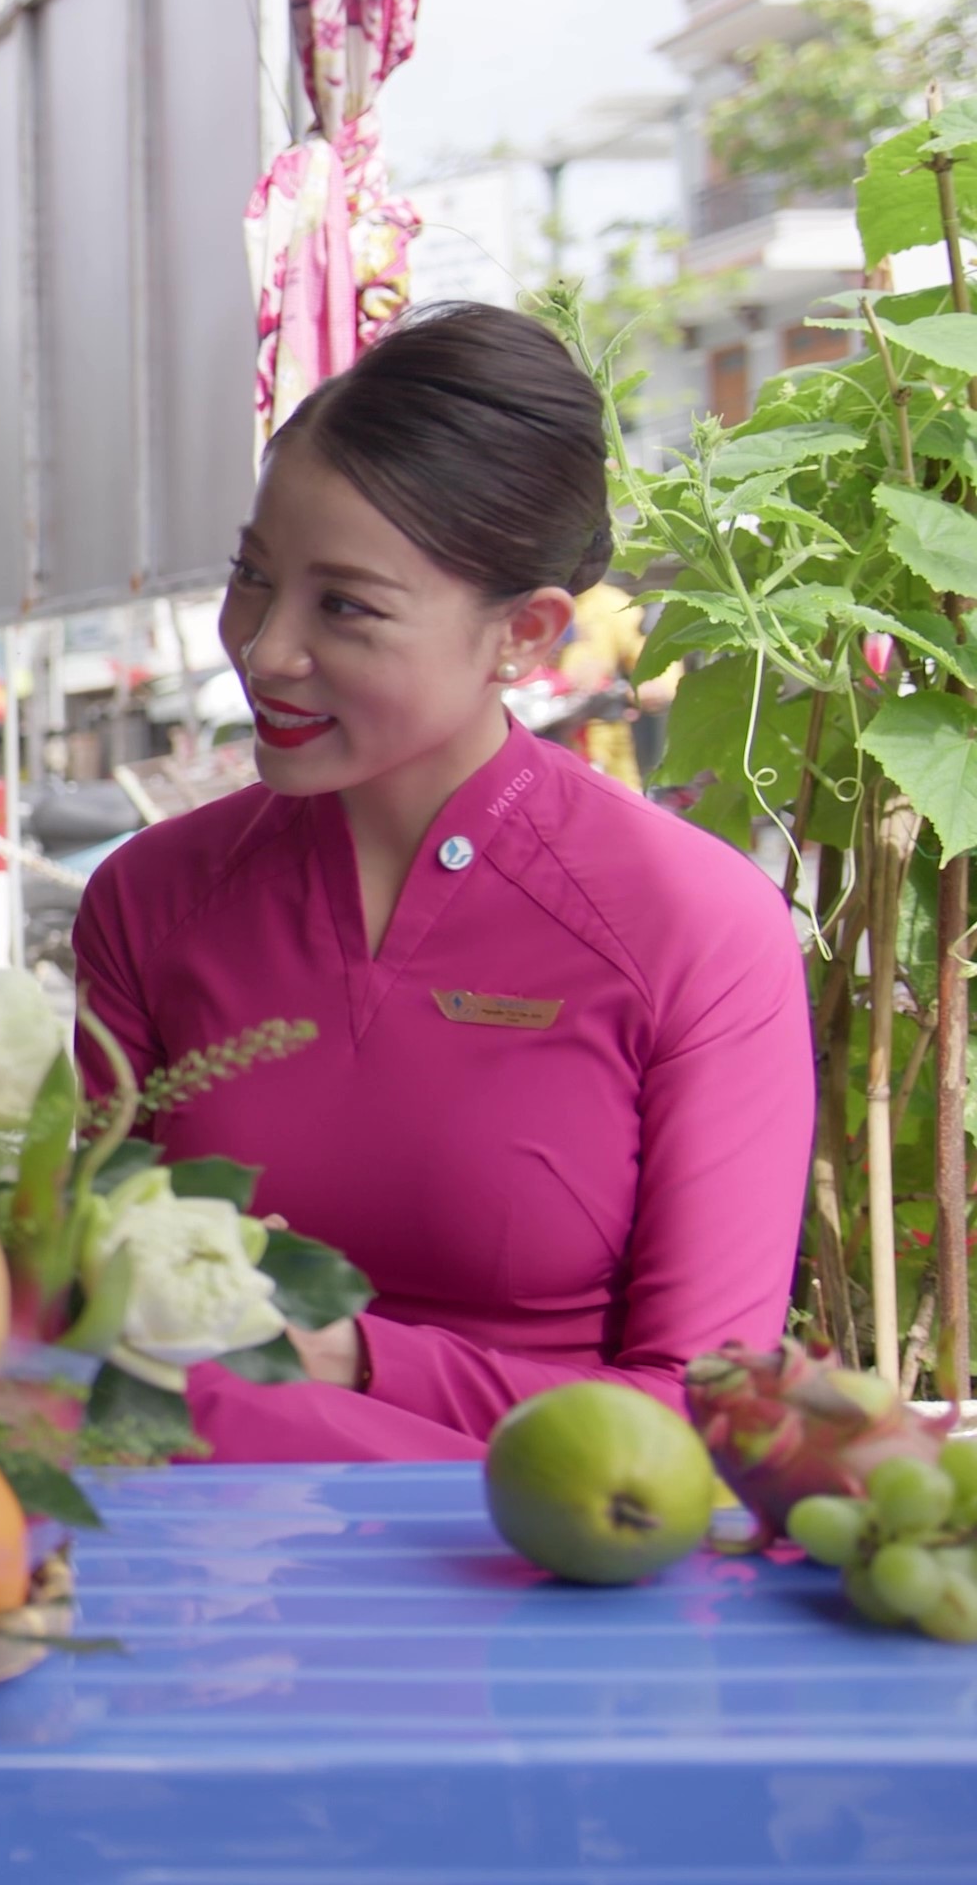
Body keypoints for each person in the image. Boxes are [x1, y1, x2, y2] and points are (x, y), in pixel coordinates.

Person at [72, 302, 812, 1462]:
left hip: (553, 1551)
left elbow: (704, 1411)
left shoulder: (695, 925)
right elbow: (79, 1313)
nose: (264, 649)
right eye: (252, 576)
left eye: (345, 606)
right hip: (199, 1555)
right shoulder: (148, 899)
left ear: (526, 633)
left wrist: (357, 1358)